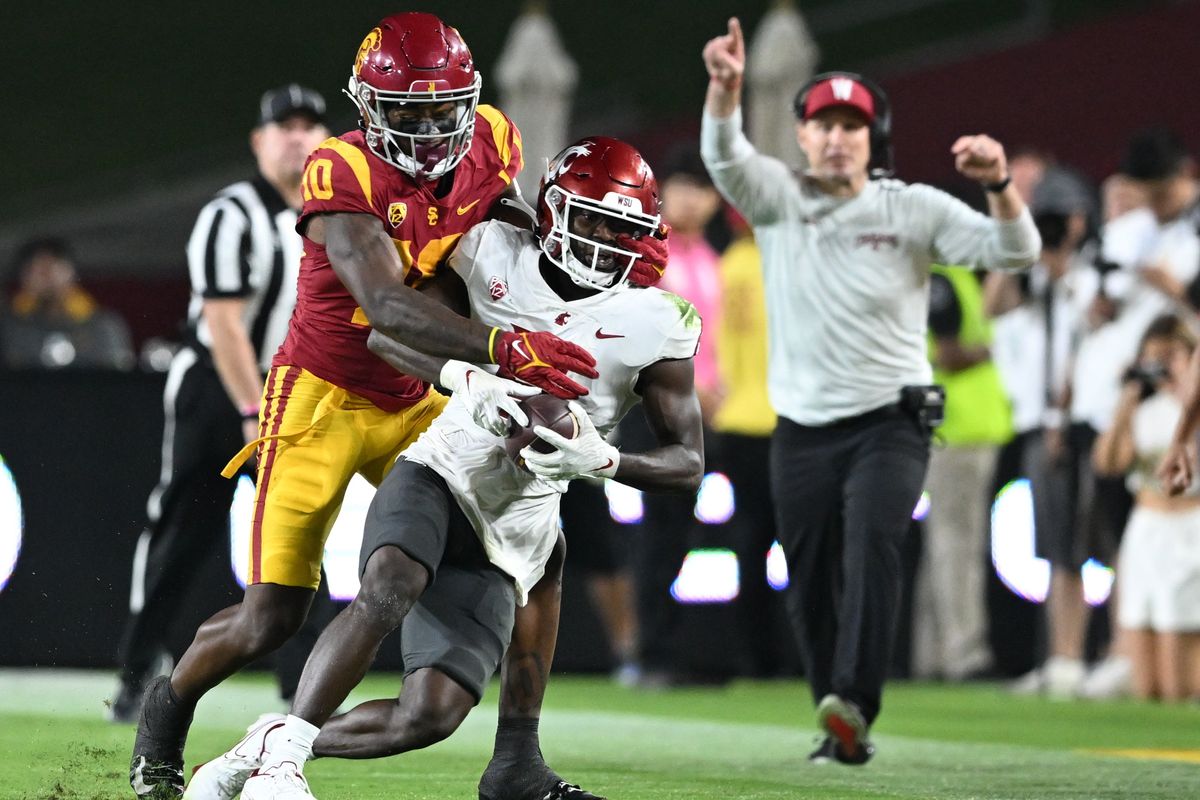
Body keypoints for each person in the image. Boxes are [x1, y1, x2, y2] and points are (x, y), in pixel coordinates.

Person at [129, 14, 600, 798]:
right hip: (323, 395)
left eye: (438, 110)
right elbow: (385, 305)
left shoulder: (493, 138)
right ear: (366, 106)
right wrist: (505, 350)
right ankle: (166, 712)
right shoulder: (339, 168)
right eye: (403, 112)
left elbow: (511, 244)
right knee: (273, 615)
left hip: (424, 394)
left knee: (536, 546)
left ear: (469, 101)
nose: (423, 129)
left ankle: (517, 752)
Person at [190, 137, 702, 799]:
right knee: (390, 582)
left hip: (520, 521)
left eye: (621, 227)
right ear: (549, 209)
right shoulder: (489, 251)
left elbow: (688, 462)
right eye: (591, 219)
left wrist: (604, 459)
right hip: (442, 469)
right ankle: (285, 761)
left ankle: (269, 740)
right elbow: (387, 333)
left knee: (427, 716)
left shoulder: (659, 320)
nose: (604, 239)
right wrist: (468, 375)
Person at [700, 18, 1039, 763]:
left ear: (873, 138)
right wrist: (725, 90)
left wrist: (1000, 187)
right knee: (811, 576)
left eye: (852, 126)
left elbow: (1016, 250)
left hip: (892, 421)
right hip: (803, 428)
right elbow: (723, 157)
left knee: (873, 546)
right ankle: (837, 720)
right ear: (800, 137)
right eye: (823, 125)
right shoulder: (780, 199)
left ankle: (854, 698)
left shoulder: (909, 207)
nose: (836, 139)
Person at [110, 85, 333, 724]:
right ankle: (134, 671)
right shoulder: (231, 213)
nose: (297, 137)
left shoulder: (336, 215)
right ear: (259, 142)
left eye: (309, 126)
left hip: (291, 391)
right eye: (283, 127)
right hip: (218, 388)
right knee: (183, 531)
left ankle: (301, 690)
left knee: (299, 530)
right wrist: (248, 406)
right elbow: (224, 321)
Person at [913, 262, 1012, 682]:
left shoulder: (941, 275)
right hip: (959, 429)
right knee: (958, 544)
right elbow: (950, 355)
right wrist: (1001, 345)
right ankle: (964, 653)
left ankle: (933, 655)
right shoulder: (941, 278)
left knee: (942, 544)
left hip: (950, 428)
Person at [1096, 315, 1200, 702]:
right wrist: (1127, 398)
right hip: (1147, 528)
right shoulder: (1145, 411)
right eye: (1152, 357)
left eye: (1170, 355)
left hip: (1191, 525)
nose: (1160, 365)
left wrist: (1183, 388)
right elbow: (1107, 463)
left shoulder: (1191, 412)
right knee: (1142, 649)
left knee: (1181, 669)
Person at [1, 237, 134, 370]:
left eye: (48, 270)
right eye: (33, 272)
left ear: (70, 272)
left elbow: (117, 377)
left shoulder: (102, 325)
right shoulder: (9, 325)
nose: (43, 280)